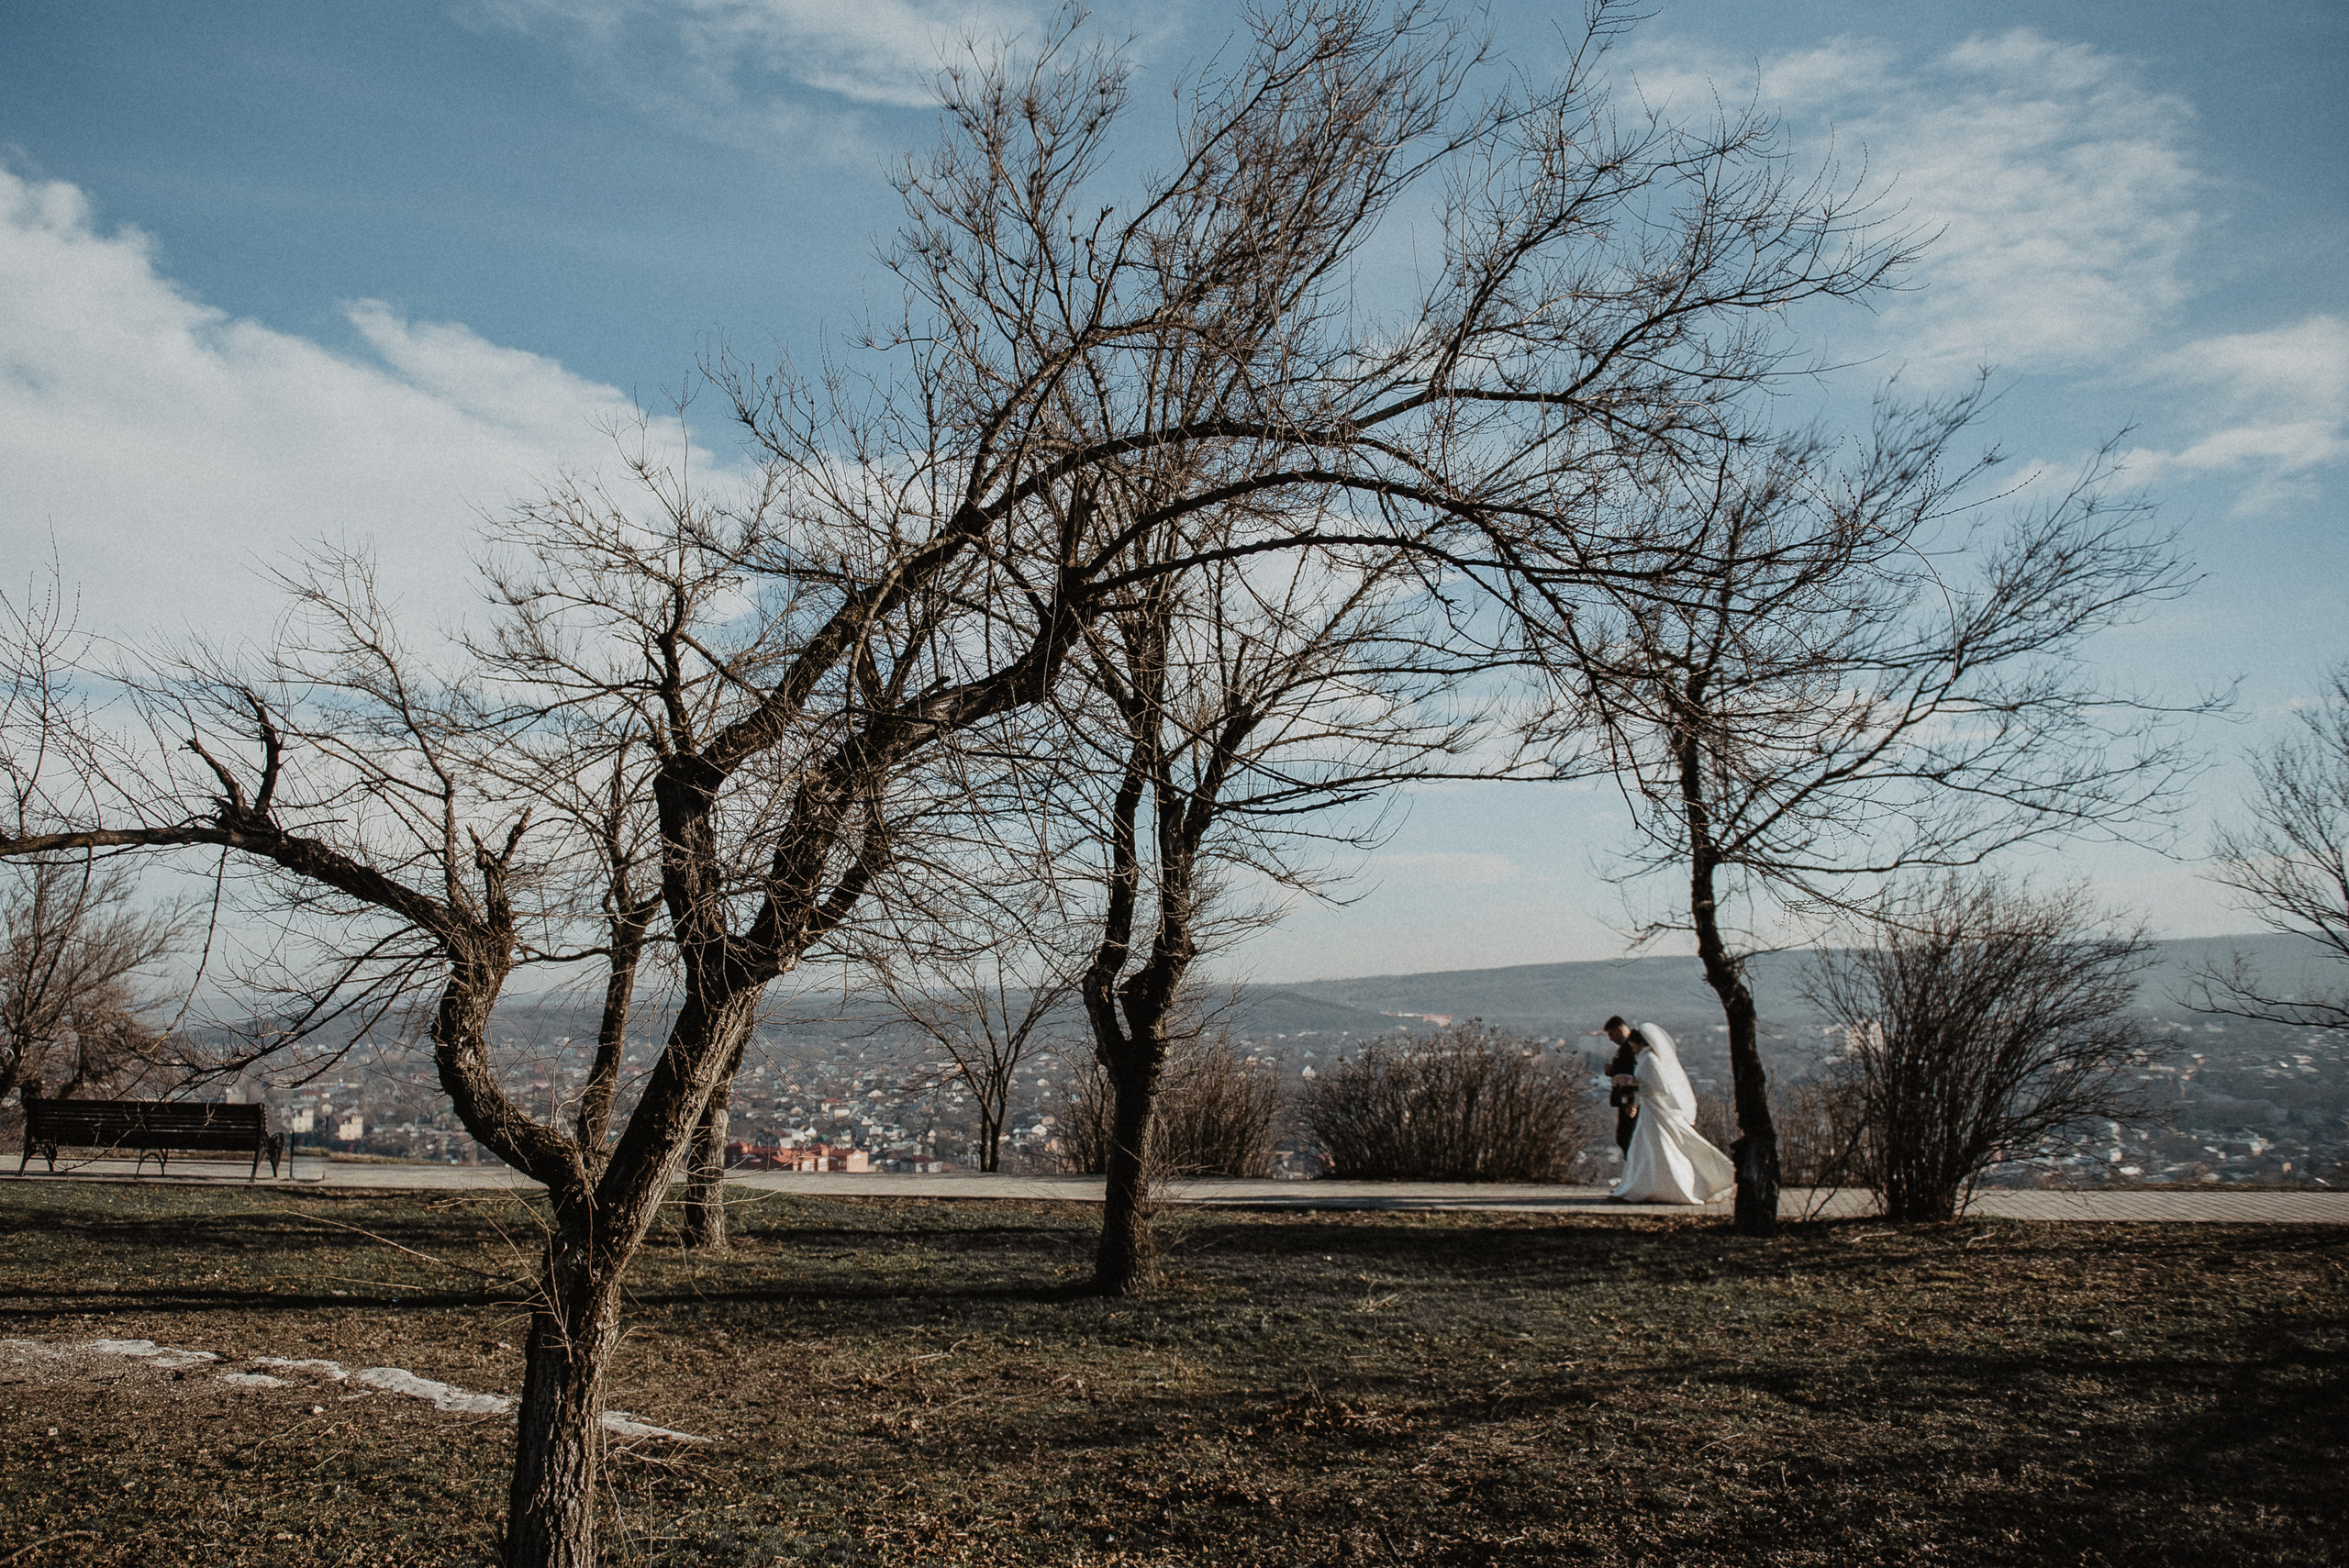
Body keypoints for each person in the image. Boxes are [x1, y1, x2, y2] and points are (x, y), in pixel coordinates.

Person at [1604, 1018, 1733, 1205]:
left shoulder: (1649, 1060)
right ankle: (1646, 1185)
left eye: (1633, 1045)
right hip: (1650, 1110)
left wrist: (1633, 1086)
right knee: (1646, 1147)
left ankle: (1658, 1185)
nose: (1631, 1048)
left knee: (1658, 1146)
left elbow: (1660, 1088)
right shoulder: (1646, 1058)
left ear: (1640, 1042)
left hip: (1655, 1110)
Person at [1598, 1017, 1640, 1153]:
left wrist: (1630, 1102)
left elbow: (1632, 1076)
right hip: (1624, 1100)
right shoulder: (1625, 1048)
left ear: (1619, 1029)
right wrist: (1612, 1072)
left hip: (1628, 1101)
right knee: (1624, 1138)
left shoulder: (1629, 1048)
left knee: (1627, 1138)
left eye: (1611, 1034)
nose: (1610, 1039)